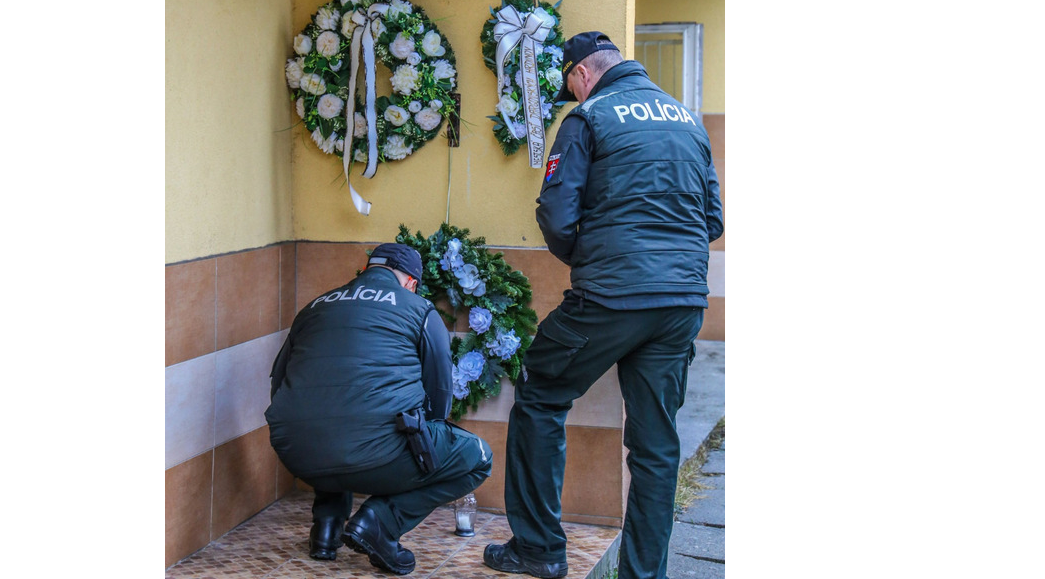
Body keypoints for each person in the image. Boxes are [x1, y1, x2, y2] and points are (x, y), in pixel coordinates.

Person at [483, 32, 724, 579]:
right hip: (682, 302)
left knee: (541, 393)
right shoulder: (687, 119)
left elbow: (557, 215)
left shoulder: (588, 118)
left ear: (582, 74)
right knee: (657, 446)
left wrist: (591, 261)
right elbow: (713, 220)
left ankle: (538, 550)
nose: (571, 93)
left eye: (570, 84)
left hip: (611, 297)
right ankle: (644, 574)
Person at [266, 243, 493, 576]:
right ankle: (380, 523)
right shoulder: (420, 309)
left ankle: (326, 530)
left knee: (335, 410)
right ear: (411, 282)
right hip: (377, 455)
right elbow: (439, 398)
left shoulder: (314, 307)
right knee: (478, 458)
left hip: (296, 452)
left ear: (367, 270)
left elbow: (279, 383)